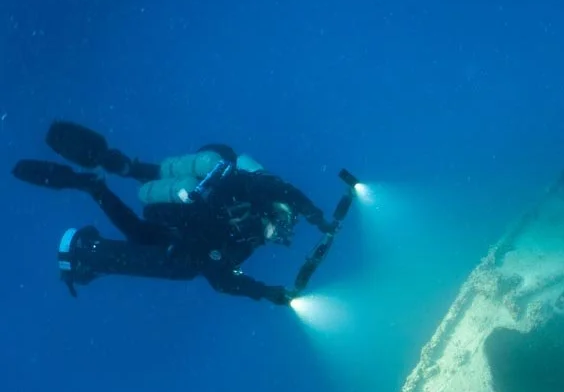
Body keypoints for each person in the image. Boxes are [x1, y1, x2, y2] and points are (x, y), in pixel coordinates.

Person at [11, 121, 336, 305]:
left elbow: (223, 279)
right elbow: (280, 191)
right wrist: (314, 214)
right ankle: (90, 250)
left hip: (177, 224)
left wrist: (266, 291)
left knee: (148, 237)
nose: (282, 231)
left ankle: (96, 189)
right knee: (177, 261)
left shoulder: (245, 233)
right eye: (283, 222)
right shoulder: (244, 190)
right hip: (184, 223)